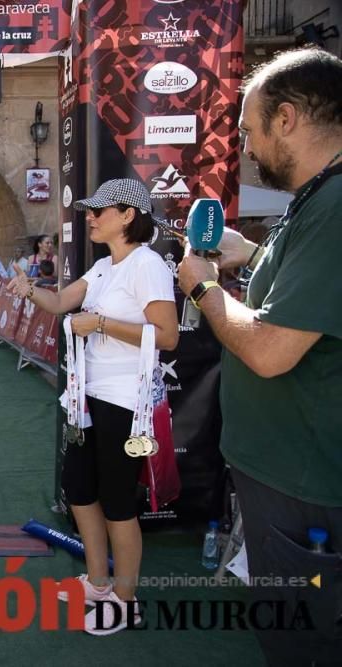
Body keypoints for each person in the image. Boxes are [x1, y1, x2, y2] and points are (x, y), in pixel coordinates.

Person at [177, 47, 342, 665]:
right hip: (289, 477)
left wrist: (202, 286)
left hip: (305, 490)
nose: (244, 145)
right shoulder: (316, 200)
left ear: (288, 118)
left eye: (249, 128)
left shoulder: (334, 206)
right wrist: (248, 253)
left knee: (303, 641)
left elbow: (272, 350)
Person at [8, 177, 178, 635]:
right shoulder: (104, 267)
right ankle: (99, 582)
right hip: (89, 397)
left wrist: (102, 322)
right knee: (80, 488)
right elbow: (61, 302)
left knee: (119, 502)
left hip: (126, 401)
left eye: (100, 210)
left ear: (128, 216)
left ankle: (126, 600)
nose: (91, 216)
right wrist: (28, 291)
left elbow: (167, 336)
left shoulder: (148, 265)